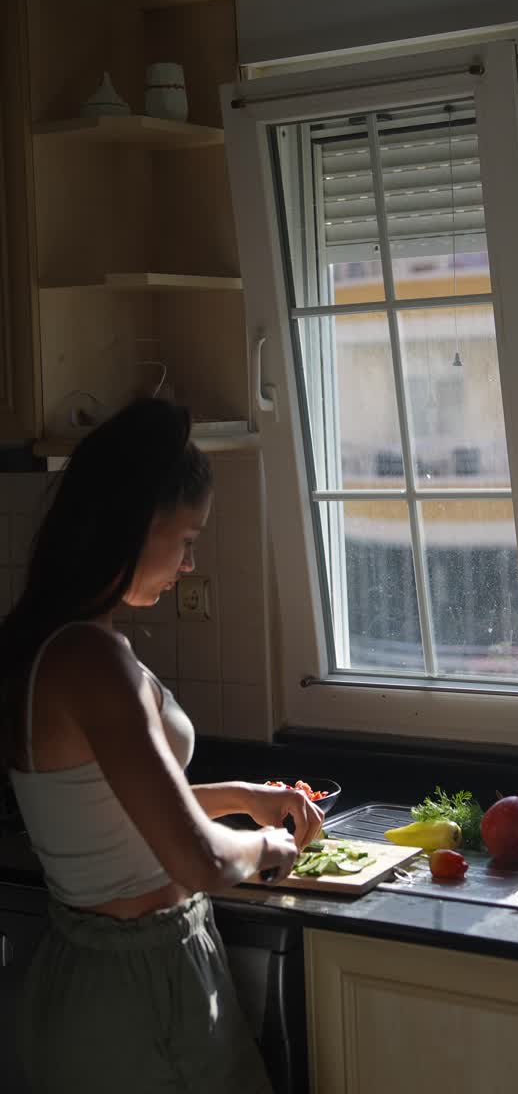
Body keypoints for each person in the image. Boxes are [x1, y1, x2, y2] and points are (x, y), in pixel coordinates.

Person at [0, 398, 324, 1093]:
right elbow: (199, 858)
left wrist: (244, 799)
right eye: (185, 540)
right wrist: (271, 850)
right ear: (134, 525)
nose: (188, 564)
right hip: (135, 991)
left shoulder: (53, 641)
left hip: (100, 978)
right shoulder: (92, 660)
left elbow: (110, 806)